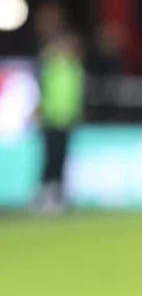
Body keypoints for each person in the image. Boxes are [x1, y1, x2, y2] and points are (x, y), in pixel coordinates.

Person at [33, 33, 85, 215]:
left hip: (67, 118)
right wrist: (40, 111)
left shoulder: (74, 68)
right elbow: (43, 91)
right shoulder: (51, 67)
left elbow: (75, 93)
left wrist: (76, 114)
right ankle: (45, 193)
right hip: (51, 117)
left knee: (61, 156)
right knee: (50, 156)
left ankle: (58, 193)